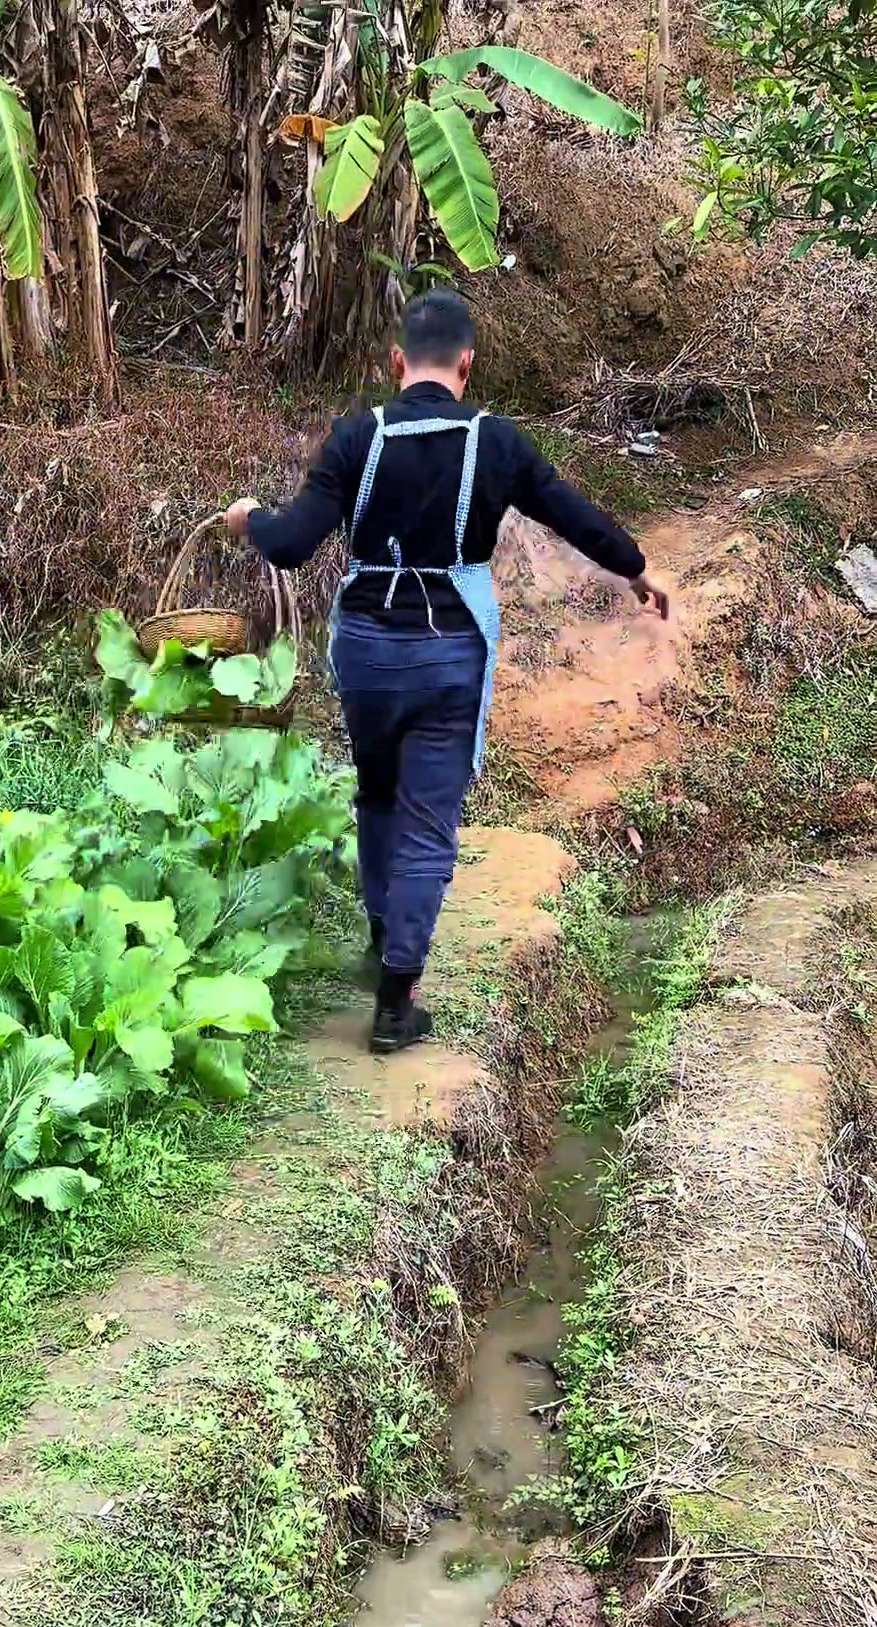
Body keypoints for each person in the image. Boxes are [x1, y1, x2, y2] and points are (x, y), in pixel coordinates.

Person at [225, 289, 669, 1056]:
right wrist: (634, 568)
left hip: (366, 649)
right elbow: (571, 512)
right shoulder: (496, 443)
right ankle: (397, 999)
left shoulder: (354, 437)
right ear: (468, 362)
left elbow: (293, 542)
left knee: (377, 795)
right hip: (448, 651)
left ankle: (380, 942)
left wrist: (247, 521)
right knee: (429, 823)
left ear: (397, 361)